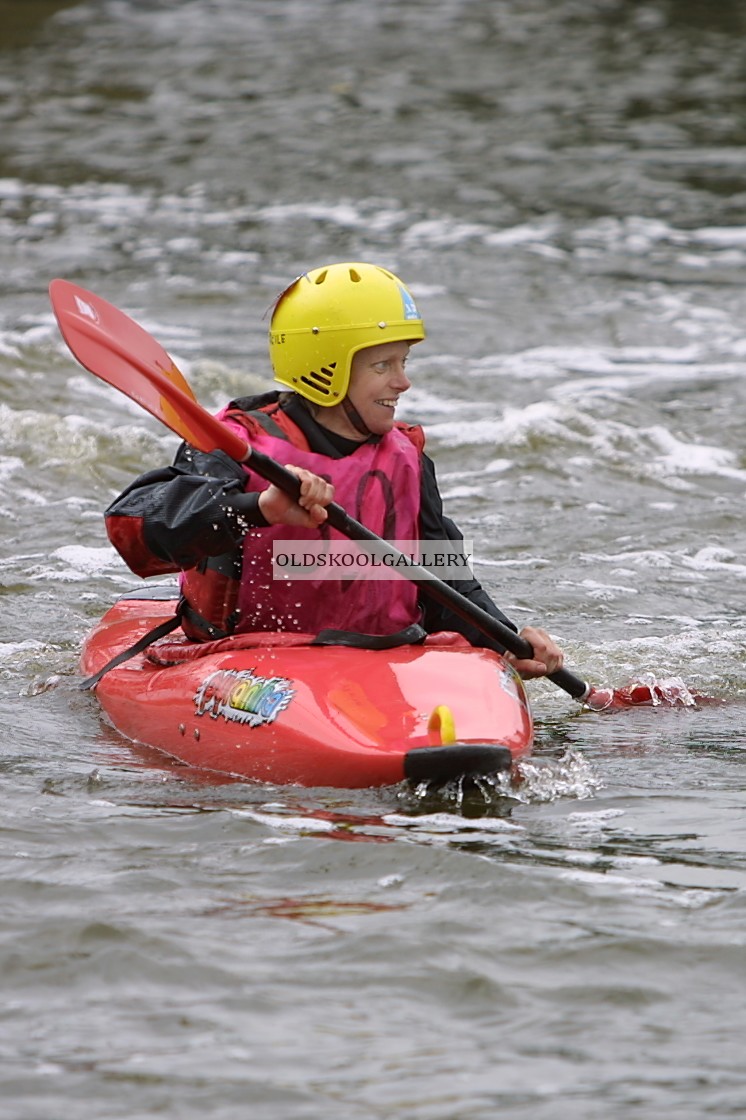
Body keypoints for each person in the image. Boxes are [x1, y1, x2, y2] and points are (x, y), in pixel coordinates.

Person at [105, 261, 564, 680]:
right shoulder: (238, 445)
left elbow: (442, 577)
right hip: (252, 659)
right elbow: (136, 528)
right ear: (325, 368)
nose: (403, 382)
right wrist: (259, 507)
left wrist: (505, 641)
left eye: (404, 362)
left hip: (385, 656)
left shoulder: (407, 457)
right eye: (382, 365)